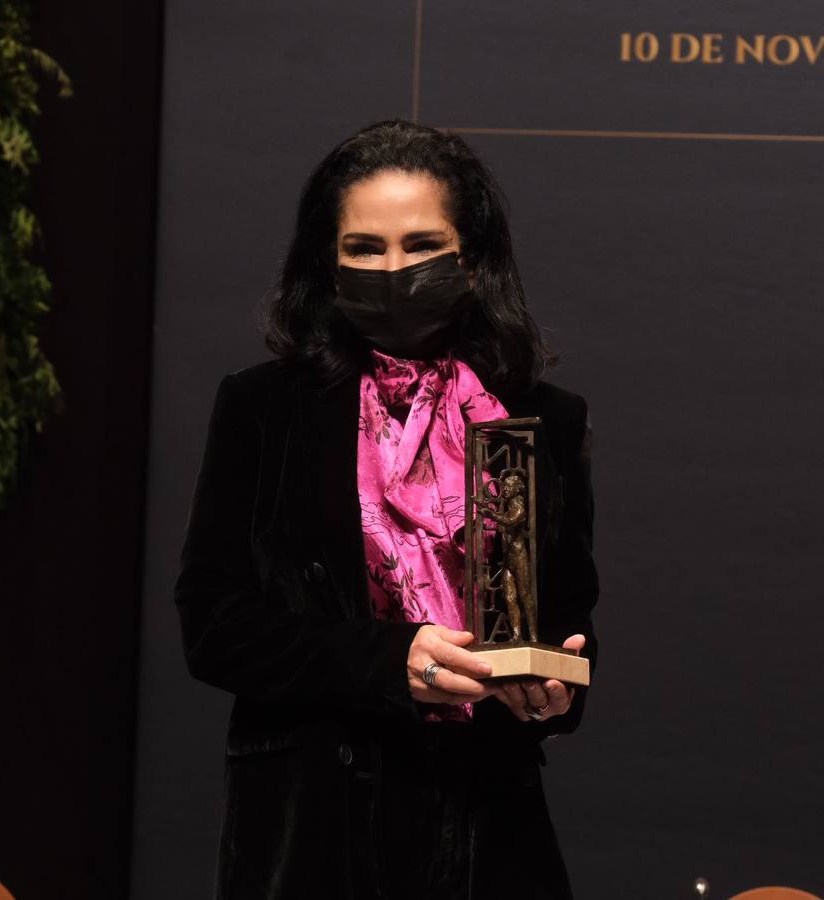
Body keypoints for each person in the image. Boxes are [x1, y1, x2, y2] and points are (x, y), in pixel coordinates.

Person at [174, 119, 598, 899]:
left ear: (471, 258)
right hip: (313, 833)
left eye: (421, 244)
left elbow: (567, 614)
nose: (394, 268)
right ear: (327, 263)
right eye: (365, 248)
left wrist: (554, 688)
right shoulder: (265, 408)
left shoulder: (536, 414)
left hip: (486, 830)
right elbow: (214, 626)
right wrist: (386, 661)